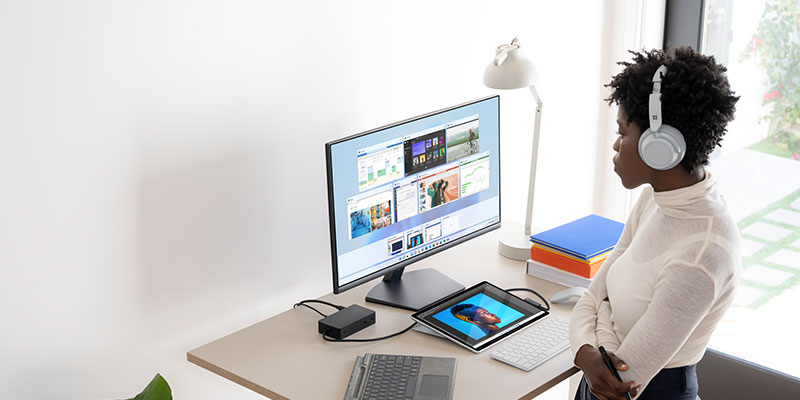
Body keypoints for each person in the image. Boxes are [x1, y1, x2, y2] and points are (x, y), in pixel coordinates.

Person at [570, 47, 740, 400]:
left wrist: (593, 342)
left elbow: (620, 380)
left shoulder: (703, 252)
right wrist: (587, 353)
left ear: (659, 146)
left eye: (622, 132)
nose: (615, 145)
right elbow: (592, 297)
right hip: (595, 381)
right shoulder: (655, 200)